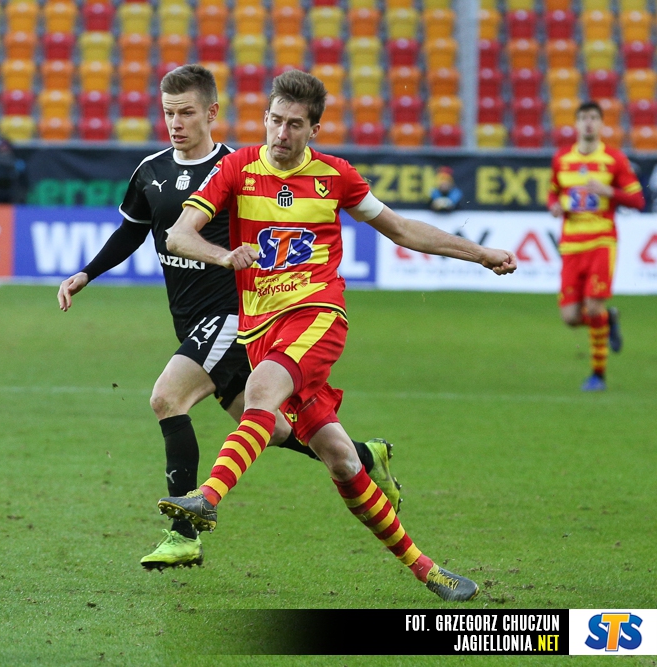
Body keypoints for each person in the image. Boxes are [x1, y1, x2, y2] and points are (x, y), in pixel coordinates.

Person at [157, 70, 517, 601]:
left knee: (259, 393)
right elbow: (178, 236)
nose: (281, 133)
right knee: (343, 461)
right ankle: (431, 572)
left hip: (317, 314)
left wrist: (480, 253)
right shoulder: (236, 168)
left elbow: (402, 229)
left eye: (294, 125)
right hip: (261, 330)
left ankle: (206, 498)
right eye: (274, 121)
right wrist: (224, 255)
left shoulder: (335, 177)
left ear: (314, 130)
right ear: (264, 119)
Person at [57, 65, 400, 571]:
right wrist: (87, 273)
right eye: (168, 113)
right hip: (190, 318)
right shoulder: (150, 171)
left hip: (235, 317)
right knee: (265, 425)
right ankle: (363, 457)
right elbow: (134, 231)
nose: (176, 123)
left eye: (186, 113)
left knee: (167, 398)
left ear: (211, 113)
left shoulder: (238, 168)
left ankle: (183, 533)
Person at [547, 101, 644, 391]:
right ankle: (608, 318)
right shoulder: (562, 158)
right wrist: (554, 206)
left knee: (592, 308)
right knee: (570, 317)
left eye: (593, 118)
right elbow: (553, 192)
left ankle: (598, 375)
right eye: (583, 118)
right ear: (576, 124)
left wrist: (608, 191)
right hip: (570, 244)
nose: (588, 123)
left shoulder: (614, 159)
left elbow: (638, 200)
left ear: (601, 124)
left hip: (601, 240)